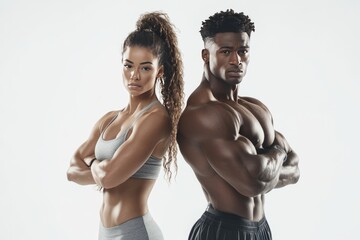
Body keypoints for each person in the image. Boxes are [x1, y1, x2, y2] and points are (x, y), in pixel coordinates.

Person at [177, 9, 300, 240]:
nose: (236, 60)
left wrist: (266, 166)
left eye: (243, 51)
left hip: (261, 229)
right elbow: (251, 183)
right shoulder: (203, 114)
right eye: (226, 52)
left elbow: (294, 171)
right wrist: (276, 152)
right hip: (224, 231)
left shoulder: (255, 108)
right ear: (206, 55)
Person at [67, 11, 184, 240]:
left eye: (145, 67)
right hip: (104, 232)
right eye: (129, 65)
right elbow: (71, 171)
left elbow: (109, 178)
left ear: (160, 71)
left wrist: (94, 164)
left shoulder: (156, 119)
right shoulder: (109, 119)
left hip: (135, 232)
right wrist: (100, 166)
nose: (135, 76)